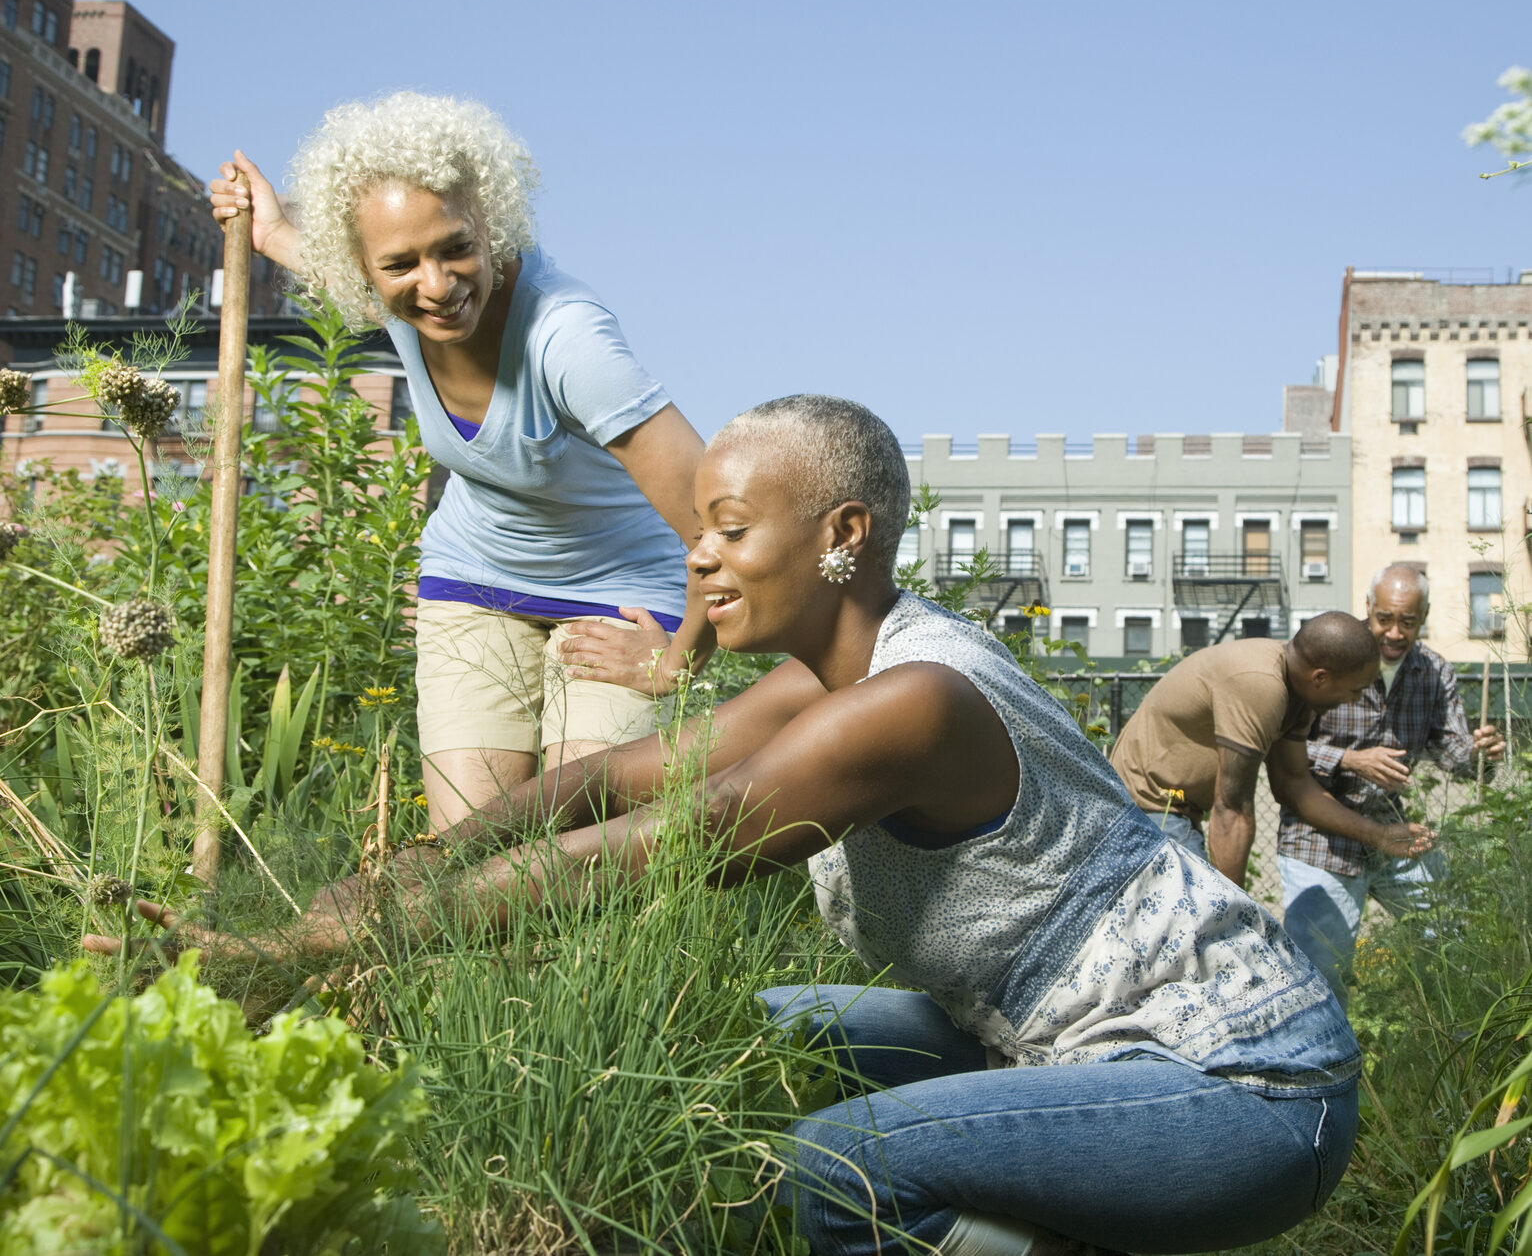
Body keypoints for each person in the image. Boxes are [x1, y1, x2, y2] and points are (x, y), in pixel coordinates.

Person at [92, 395, 1362, 1256]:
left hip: (1241, 1088)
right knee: (743, 1039)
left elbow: (666, 844)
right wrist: (404, 869)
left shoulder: (911, 701)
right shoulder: (822, 682)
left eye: (730, 528)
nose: (697, 558)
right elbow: (600, 785)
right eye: (696, 526)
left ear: (841, 536)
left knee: (832, 1163)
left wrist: (322, 949)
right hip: (1062, 1046)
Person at [208, 94, 712, 831]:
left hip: (618, 591)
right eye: (402, 264)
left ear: (491, 224)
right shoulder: (393, 293)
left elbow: (719, 529)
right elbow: (346, 259)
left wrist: (678, 664)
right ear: (363, 272)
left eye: (456, 248)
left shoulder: (568, 343)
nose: (437, 285)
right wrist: (274, 229)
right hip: (474, 582)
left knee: (579, 848)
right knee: (470, 855)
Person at [1279, 563, 1505, 1001]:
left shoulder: (1435, 671)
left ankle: (1437, 1044)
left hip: (1395, 834)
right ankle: (1321, 1066)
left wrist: (1480, 754)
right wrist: (1348, 759)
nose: (1395, 633)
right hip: (1320, 837)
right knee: (1320, 974)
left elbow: (1454, 753)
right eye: (1385, 619)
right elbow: (1278, 748)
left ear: (1425, 616)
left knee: (1453, 943)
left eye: (1408, 621)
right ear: (1368, 609)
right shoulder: (1327, 654)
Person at [1111, 619, 1435, 887]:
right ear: (1320, 677)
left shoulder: (1298, 694)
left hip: (1174, 810)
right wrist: (1236, 920)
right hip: (1147, 808)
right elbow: (1232, 808)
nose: (1355, 700)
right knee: (1195, 928)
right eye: (1355, 690)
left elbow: (1295, 785)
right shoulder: (1261, 685)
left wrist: (1380, 835)